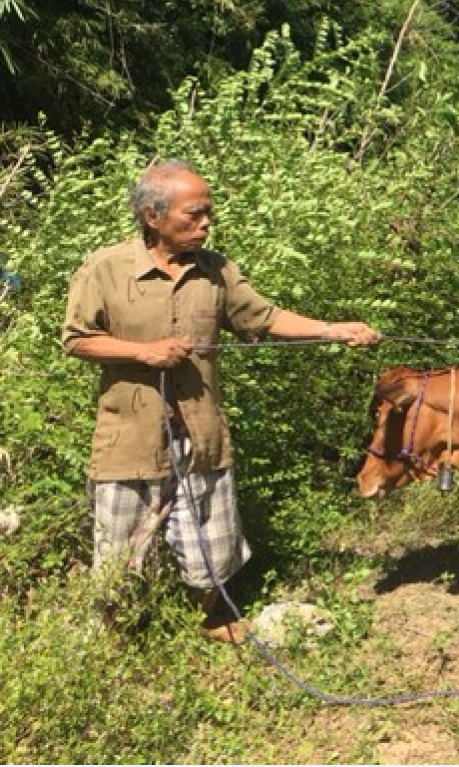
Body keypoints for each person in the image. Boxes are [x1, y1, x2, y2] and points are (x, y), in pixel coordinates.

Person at [62, 159, 381, 642]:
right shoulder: (105, 269)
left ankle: (201, 623)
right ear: (153, 216)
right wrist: (143, 352)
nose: (206, 223)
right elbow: (77, 339)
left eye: (208, 213)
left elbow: (265, 317)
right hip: (129, 437)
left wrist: (334, 330)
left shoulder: (216, 271)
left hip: (202, 434)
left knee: (213, 545)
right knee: (118, 551)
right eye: (193, 215)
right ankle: (109, 640)